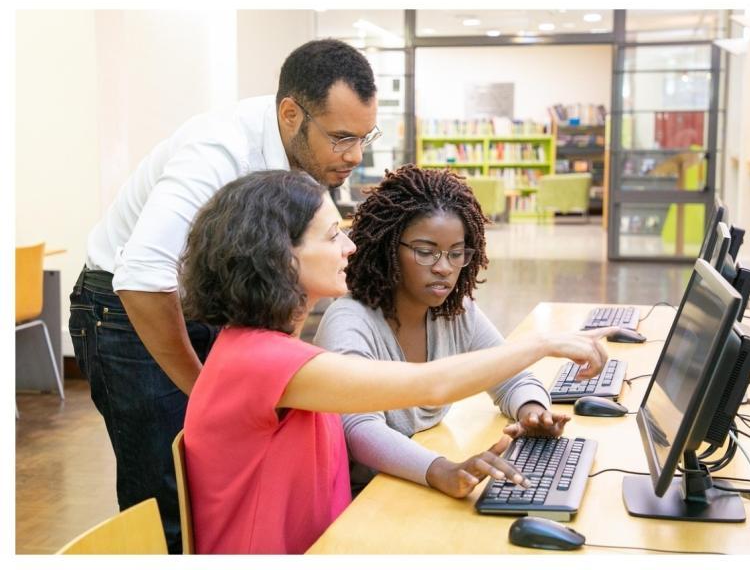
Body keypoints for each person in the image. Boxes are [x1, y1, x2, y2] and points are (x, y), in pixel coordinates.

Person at [179, 170, 612, 554]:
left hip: (333, 541)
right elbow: (430, 386)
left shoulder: (263, 349)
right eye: (333, 236)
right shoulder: (263, 360)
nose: (350, 246)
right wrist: (542, 343)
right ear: (280, 255)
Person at [67, 38, 380, 553]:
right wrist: (206, 390)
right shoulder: (218, 150)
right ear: (290, 114)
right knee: (170, 496)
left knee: (226, 476)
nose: (354, 156)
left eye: (366, 137)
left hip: (200, 300)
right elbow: (141, 277)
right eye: (342, 137)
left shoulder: (312, 156)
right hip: (125, 307)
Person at [313, 165, 568, 498]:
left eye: (455, 253)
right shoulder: (350, 321)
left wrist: (533, 412)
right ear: (388, 249)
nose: (444, 268)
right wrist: (441, 470)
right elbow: (358, 427)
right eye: (425, 251)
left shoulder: (454, 311)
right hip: (361, 496)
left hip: (417, 486)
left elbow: (512, 377)